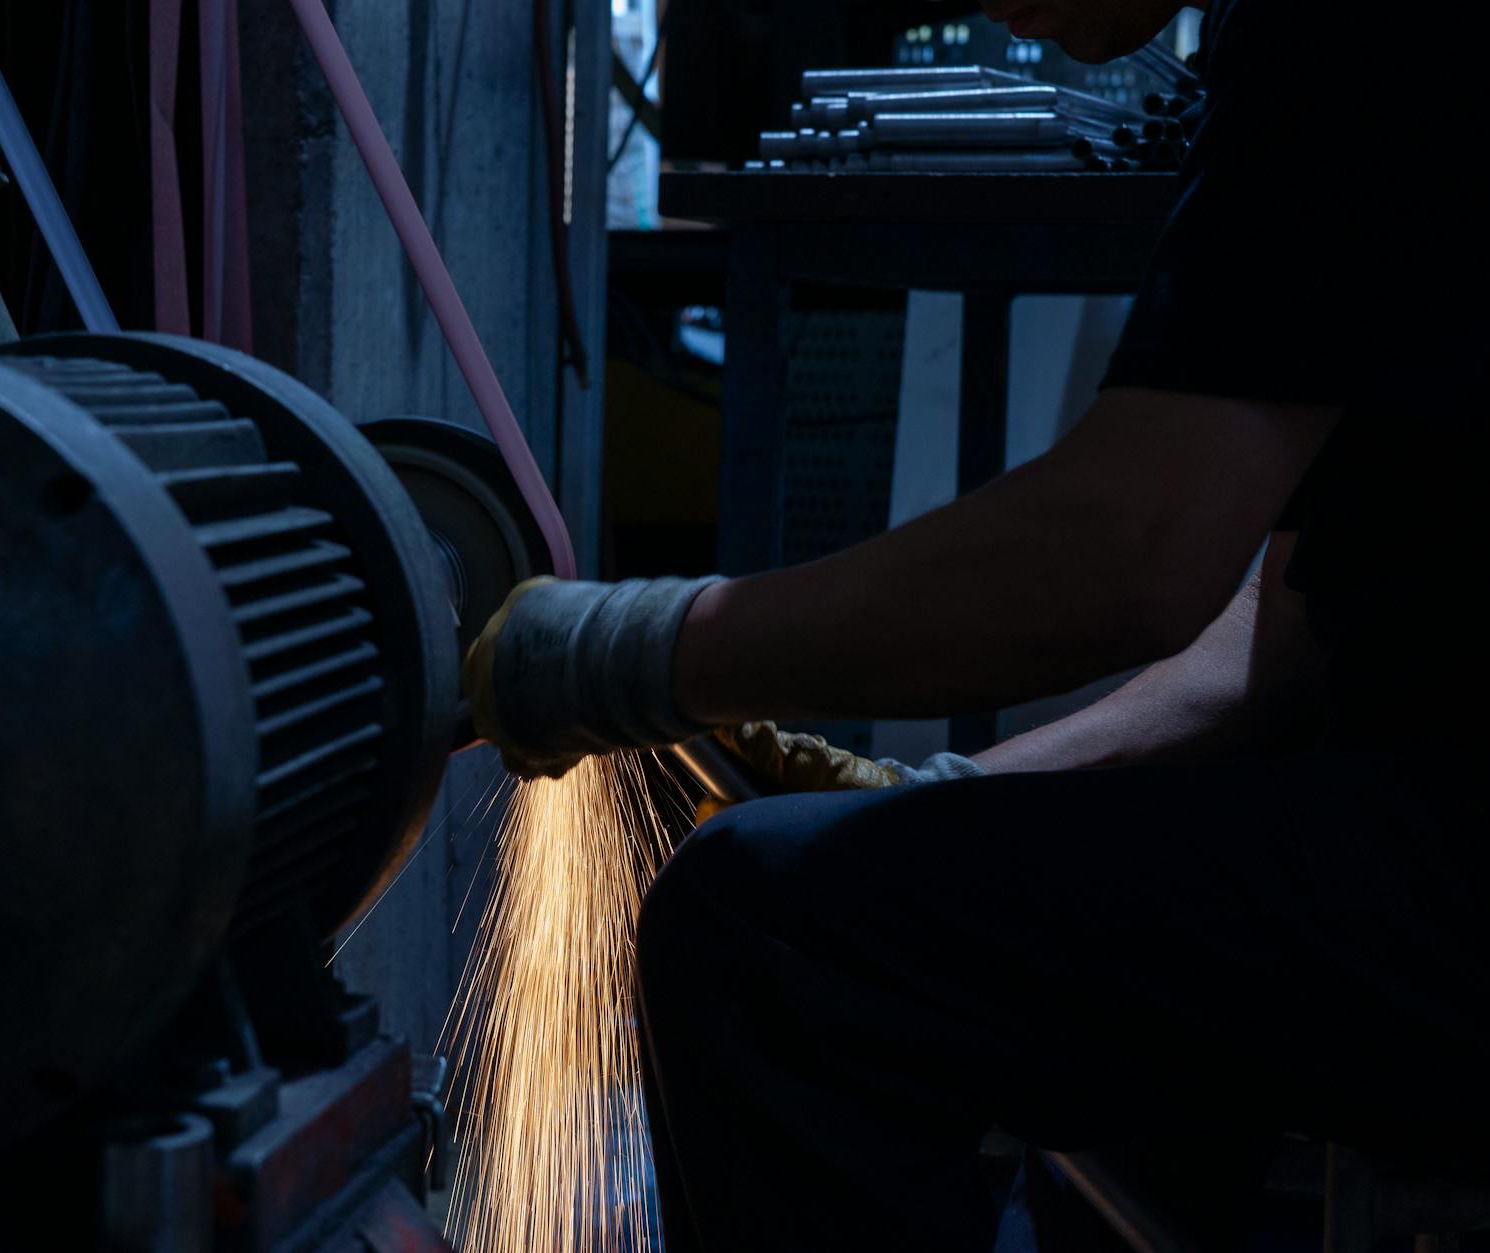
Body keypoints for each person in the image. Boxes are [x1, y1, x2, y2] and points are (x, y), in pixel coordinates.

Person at [461, 0, 1490, 1248]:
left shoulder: (1366, 35)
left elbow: (1131, 553)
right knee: (1031, 948)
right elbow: (1272, 644)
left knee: (762, 935)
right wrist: (946, 786)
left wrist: (619, 655)